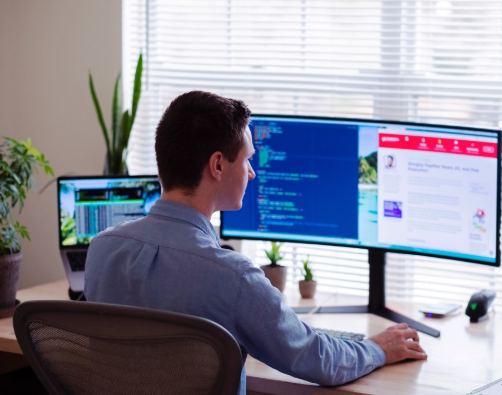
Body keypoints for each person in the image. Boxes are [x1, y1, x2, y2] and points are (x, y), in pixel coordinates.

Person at [84, 91, 427, 395]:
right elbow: (316, 359)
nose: (252, 173)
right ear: (217, 165)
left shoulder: (102, 249)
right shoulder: (231, 276)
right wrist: (379, 349)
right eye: (247, 159)